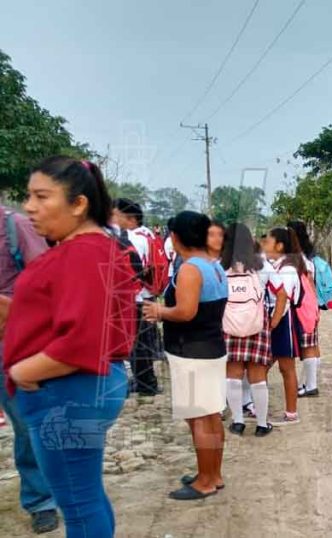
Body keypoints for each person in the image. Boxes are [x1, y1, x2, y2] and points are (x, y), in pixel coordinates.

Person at [4, 157, 136, 536]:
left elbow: (84, 339)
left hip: (66, 391)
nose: (29, 206)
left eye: (42, 196)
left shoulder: (84, 252)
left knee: (79, 505)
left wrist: (22, 371)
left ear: (78, 204)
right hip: (76, 388)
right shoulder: (87, 248)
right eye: (29, 195)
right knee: (86, 496)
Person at [143, 211, 228, 500]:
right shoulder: (214, 266)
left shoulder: (190, 269)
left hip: (191, 350)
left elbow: (186, 311)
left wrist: (159, 311)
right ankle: (213, 473)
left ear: (175, 237)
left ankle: (205, 481)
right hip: (211, 347)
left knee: (199, 417)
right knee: (210, 414)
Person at [0, 203, 58, 534]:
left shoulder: (15, 226)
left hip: (13, 344)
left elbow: (47, 282)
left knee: (27, 422)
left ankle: (41, 499)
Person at [221, 223, 277, 437]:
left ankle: (238, 422)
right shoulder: (262, 266)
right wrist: (273, 321)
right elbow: (280, 292)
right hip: (257, 324)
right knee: (258, 376)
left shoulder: (220, 267)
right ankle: (262, 424)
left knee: (232, 375)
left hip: (229, 325)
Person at [112, 198, 162, 395]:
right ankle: (146, 381)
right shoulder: (148, 234)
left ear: (130, 218)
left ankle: (143, 382)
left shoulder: (131, 237)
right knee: (142, 342)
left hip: (134, 296)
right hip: (146, 294)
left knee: (133, 343)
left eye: (115, 215)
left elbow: (133, 268)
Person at [261, 227, 304, 425]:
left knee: (286, 368)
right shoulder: (276, 266)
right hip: (277, 320)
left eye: (267, 242)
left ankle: (291, 413)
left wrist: (273, 324)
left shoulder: (287, 269)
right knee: (266, 367)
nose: (263, 245)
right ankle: (259, 408)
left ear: (279, 246)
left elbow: (283, 300)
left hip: (282, 321)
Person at [288, 221, 323, 397]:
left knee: (307, 346)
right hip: (310, 306)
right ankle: (309, 383)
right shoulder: (307, 258)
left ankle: (310, 385)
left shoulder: (296, 259)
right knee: (312, 345)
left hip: (301, 306)